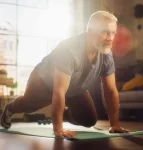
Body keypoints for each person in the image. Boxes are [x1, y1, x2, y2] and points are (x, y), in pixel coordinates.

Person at [0, 11, 129, 138]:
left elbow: (110, 90)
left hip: (75, 88)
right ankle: (10, 108)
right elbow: (59, 91)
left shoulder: (106, 53)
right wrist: (58, 129)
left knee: (88, 120)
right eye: (104, 32)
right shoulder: (69, 49)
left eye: (113, 32)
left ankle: (63, 113)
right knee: (28, 105)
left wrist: (115, 125)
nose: (110, 38)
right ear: (90, 31)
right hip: (44, 82)